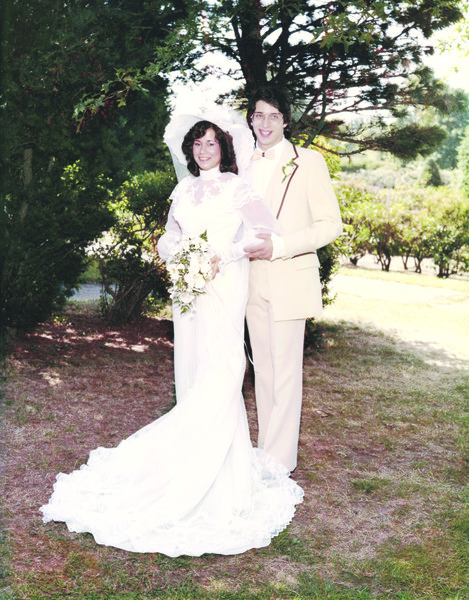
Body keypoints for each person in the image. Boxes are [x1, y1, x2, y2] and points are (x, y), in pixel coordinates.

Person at [39, 108, 303, 557]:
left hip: (225, 283)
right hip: (189, 291)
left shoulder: (239, 187)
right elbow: (168, 235)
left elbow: (265, 232)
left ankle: (222, 475)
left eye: (211, 143)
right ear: (190, 150)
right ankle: (187, 462)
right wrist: (179, 254)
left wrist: (223, 253)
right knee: (196, 368)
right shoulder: (183, 188)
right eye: (197, 144)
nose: (203, 150)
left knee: (223, 369)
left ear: (224, 148)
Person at [243, 87, 342, 473]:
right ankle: (266, 453)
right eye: (257, 115)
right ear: (250, 120)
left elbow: (330, 225)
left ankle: (278, 467)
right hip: (251, 282)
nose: (264, 123)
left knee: (285, 374)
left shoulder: (309, 162)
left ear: (285, 120)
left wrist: (281, 246)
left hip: (290, 278)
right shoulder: (244, 167)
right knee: (263, 373)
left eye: (272, 116)